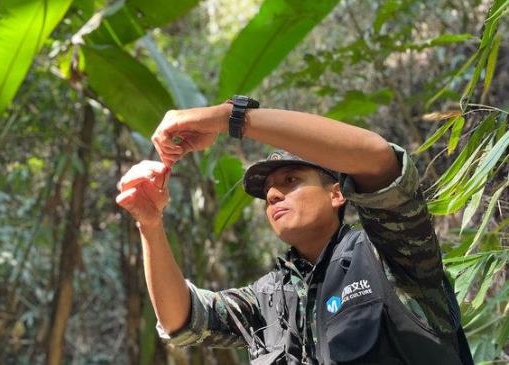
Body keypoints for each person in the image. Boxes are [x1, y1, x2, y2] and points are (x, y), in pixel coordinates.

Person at [115, 96, 473, 364]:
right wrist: (149, 224)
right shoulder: (267, 299)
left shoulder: (390, 253)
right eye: (268, 192)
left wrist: (230, 118)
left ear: (336, 193)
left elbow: (379, 159)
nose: (273, 194)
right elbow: (182, 319)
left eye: (291, 180)